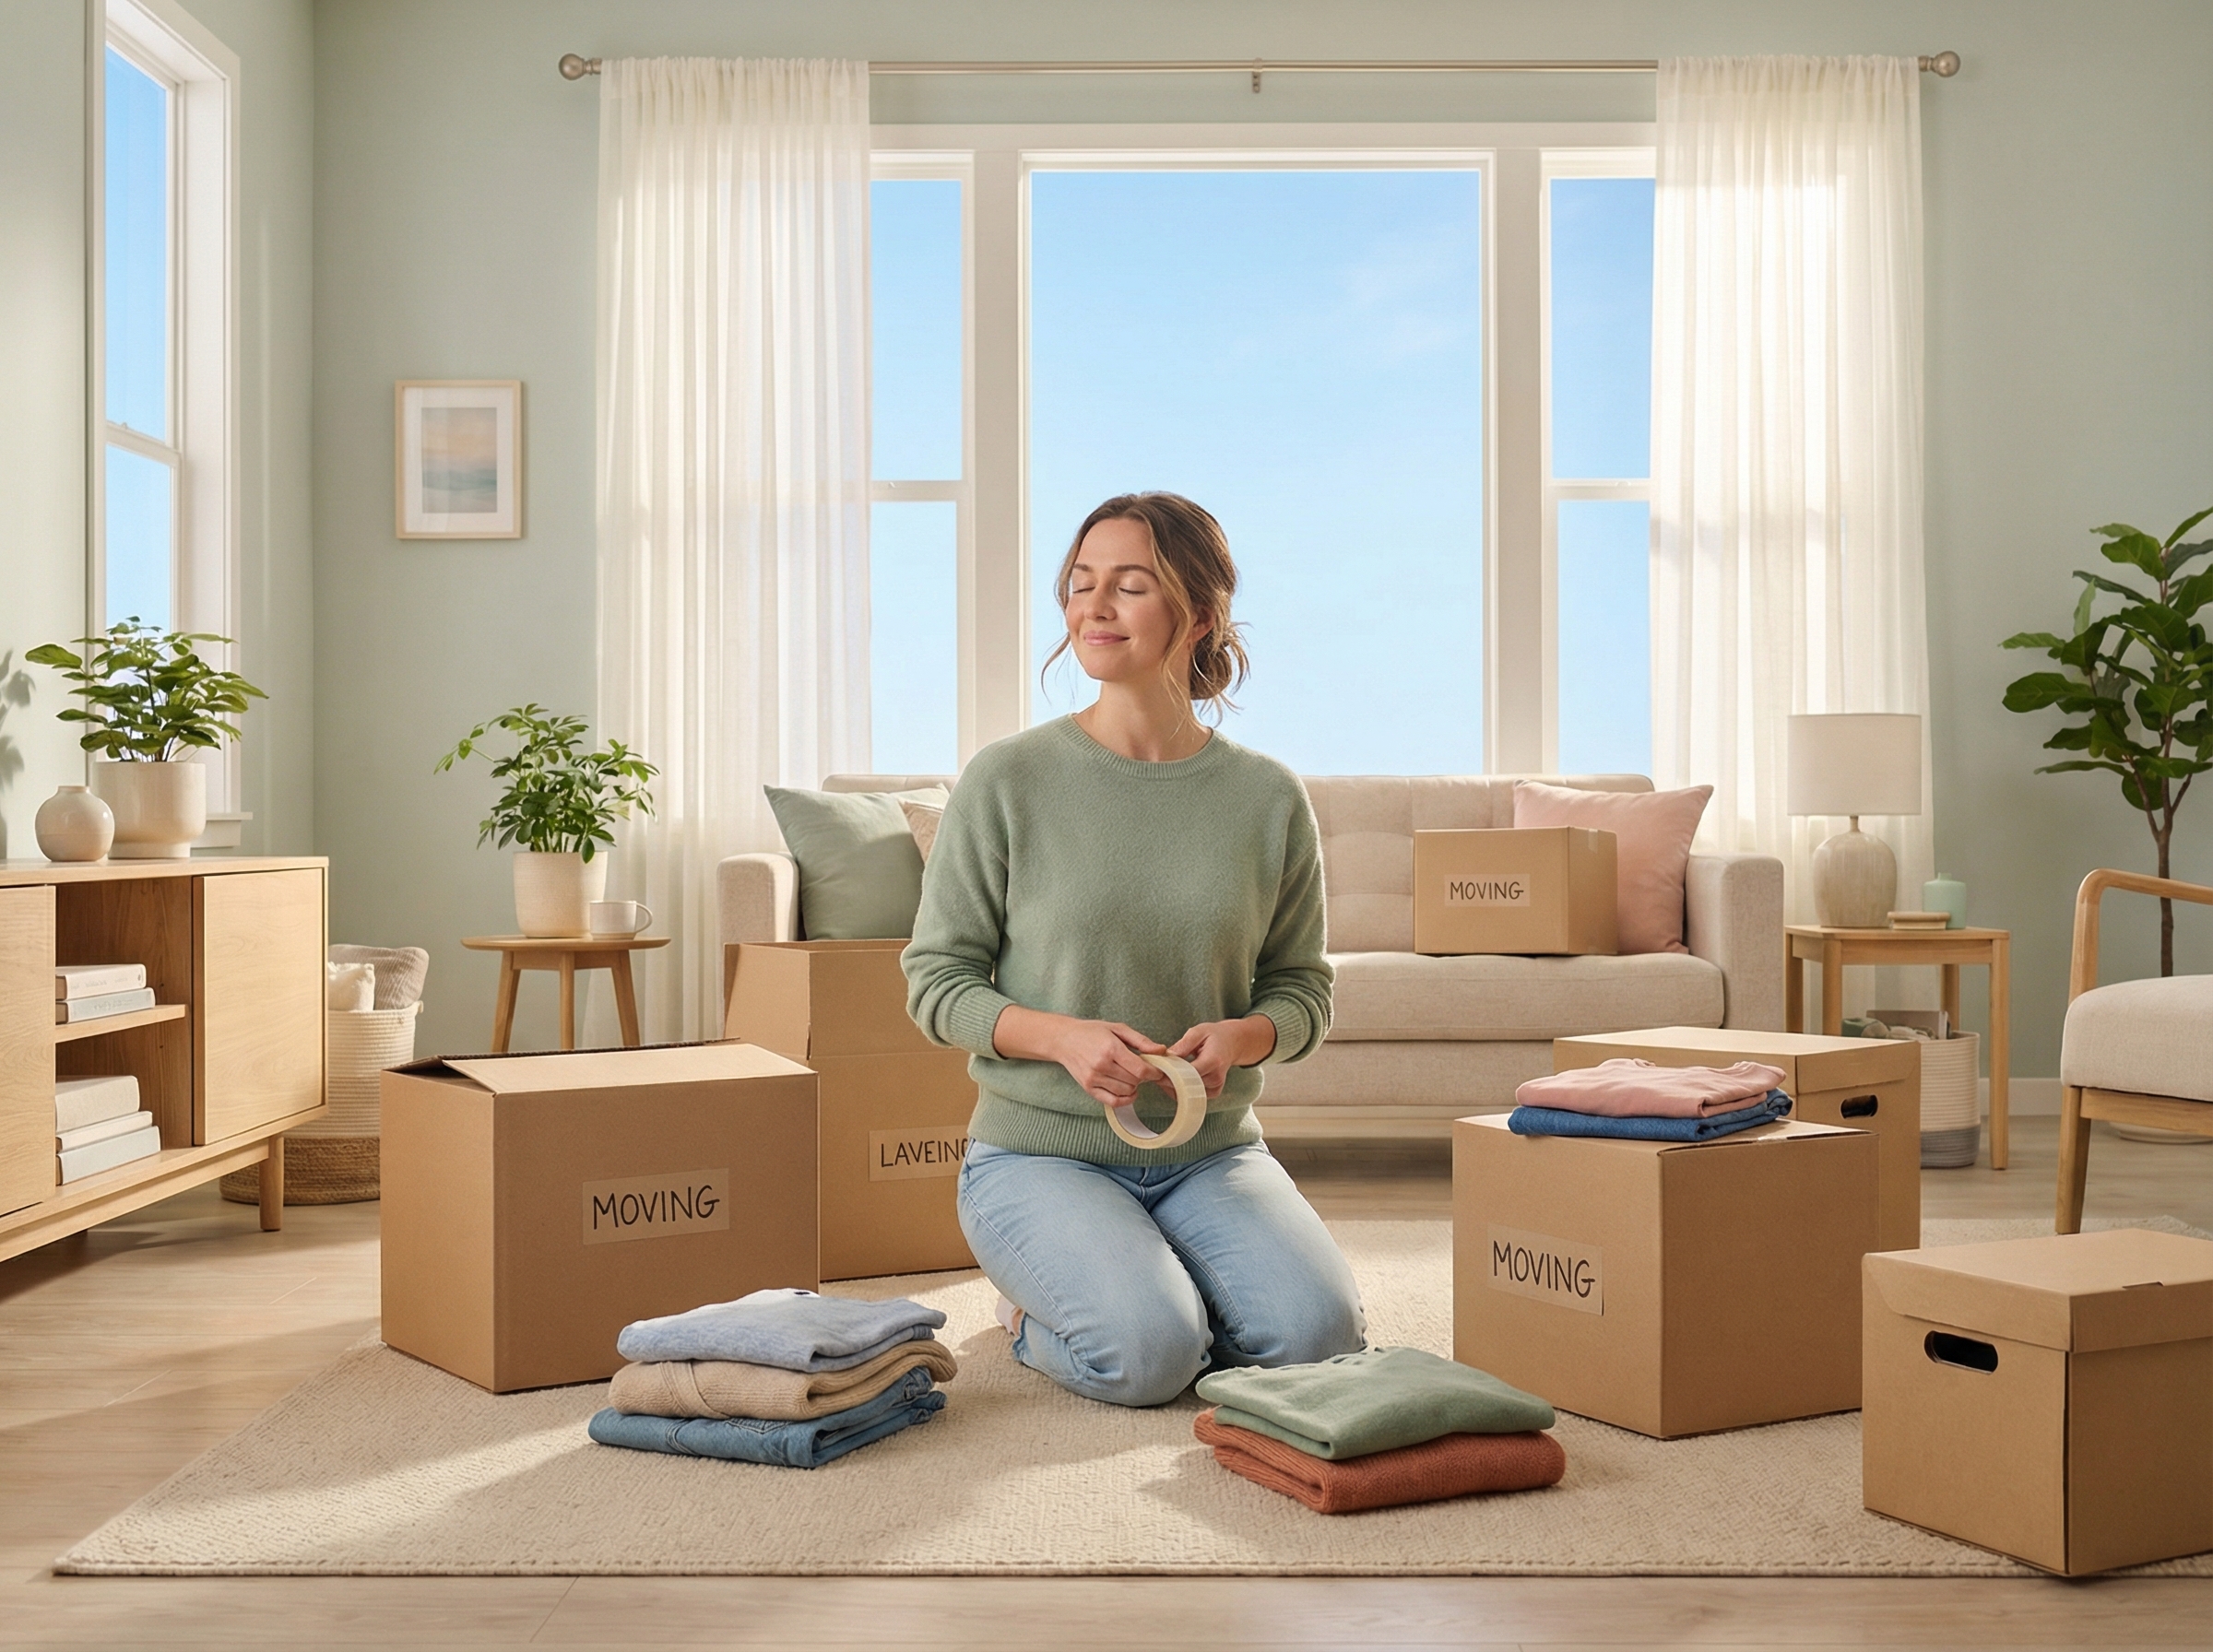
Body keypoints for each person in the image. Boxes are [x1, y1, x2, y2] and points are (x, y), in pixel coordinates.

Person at [903, 490, 1365, 1408]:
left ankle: (1162, 1287)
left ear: (1198, 613)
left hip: (1214, 1152)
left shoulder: (1266, 798)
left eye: (1129, 585)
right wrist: (1062, 1038)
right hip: (1041, 1154)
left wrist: (1243, 1037)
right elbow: (935, 981)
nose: (1093, 607)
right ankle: (1033, 1312)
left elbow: (1302, 991)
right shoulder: (1009, 779)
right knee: (1149, 1355)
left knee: (1320, 1340)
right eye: (1080, 584)